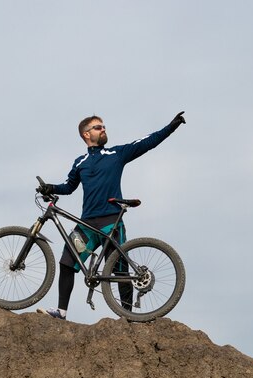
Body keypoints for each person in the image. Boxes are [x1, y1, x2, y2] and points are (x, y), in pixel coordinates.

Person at [36, 111, 186, 320]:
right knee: (66, 263)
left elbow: (147, 142)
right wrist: (50, 187)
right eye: (98, 127)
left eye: (104, 126)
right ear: (86, 135)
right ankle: (61, 312)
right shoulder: (80, 162)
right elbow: (69, 187)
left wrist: (171, 126)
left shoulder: (116, 154)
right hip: (87, 225)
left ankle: (129, 318)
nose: (103, 129)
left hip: (111, 222)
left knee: (121, 272)